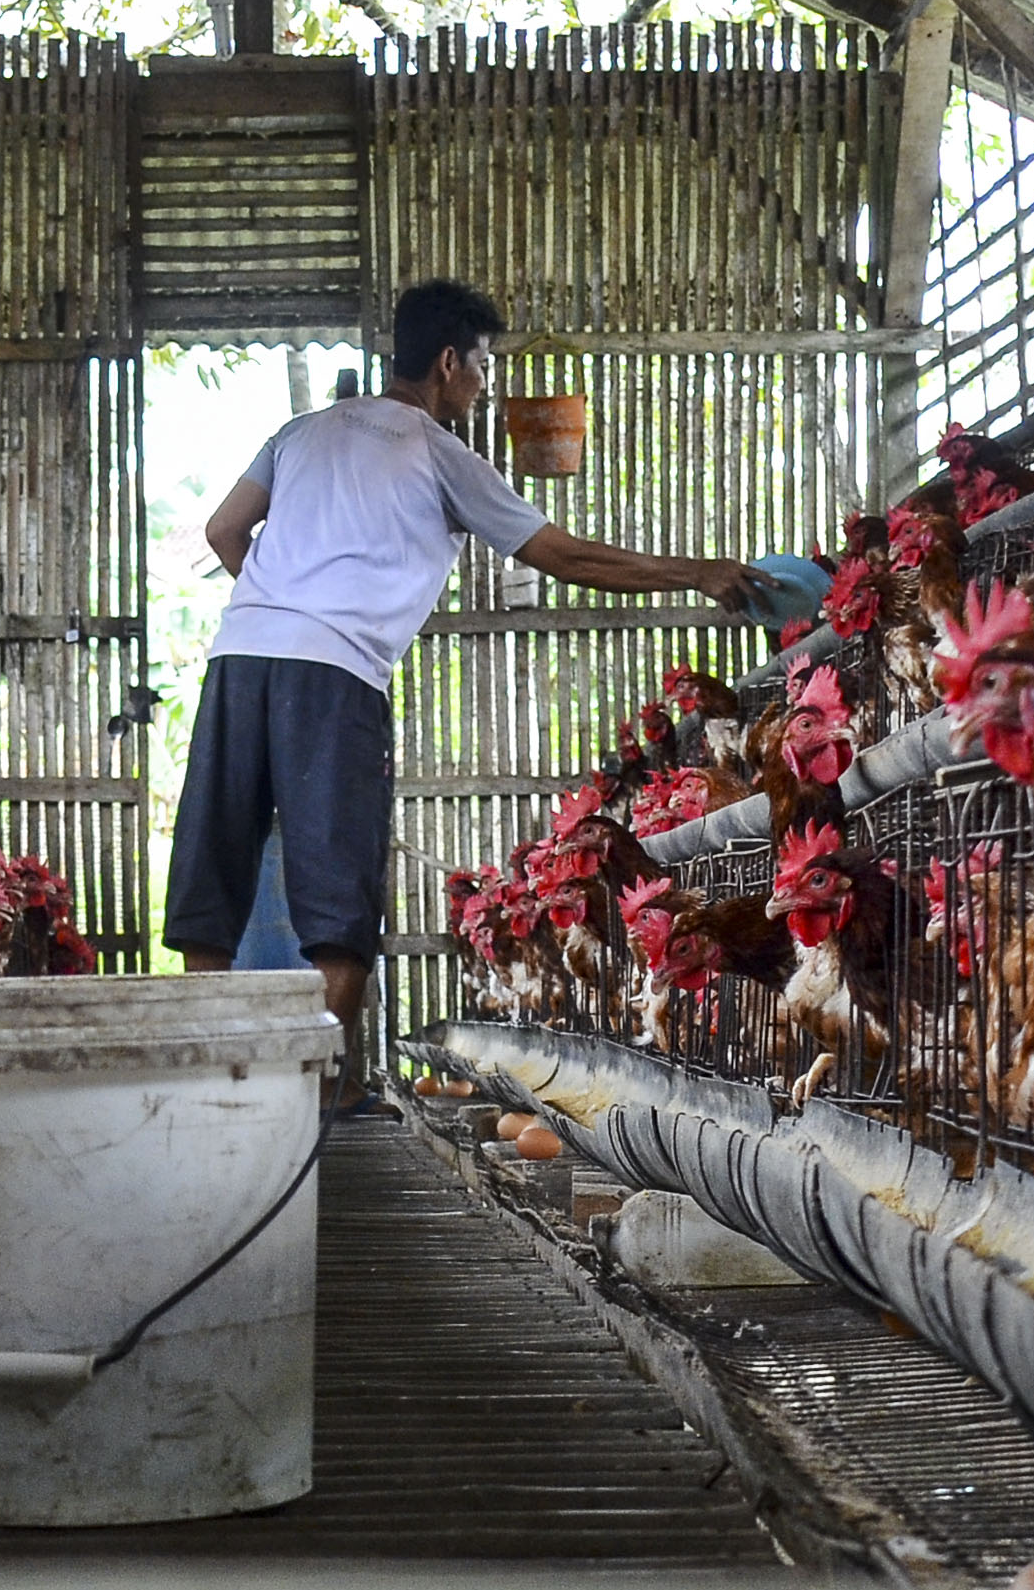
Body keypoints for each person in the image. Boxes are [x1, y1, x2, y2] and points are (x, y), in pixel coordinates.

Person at [170, 278, 758, 1084]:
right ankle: (309, 1111)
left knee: (214, 888)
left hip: (238, 659)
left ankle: (199, 1087)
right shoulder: (439, 452)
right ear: (449, 362)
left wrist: (280, 604)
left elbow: (222, 530)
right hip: (334, 677)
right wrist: (696, 571)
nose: (484, 385)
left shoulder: (298, 434)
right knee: (338, 911)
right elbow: (566, 557)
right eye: (482, 365)